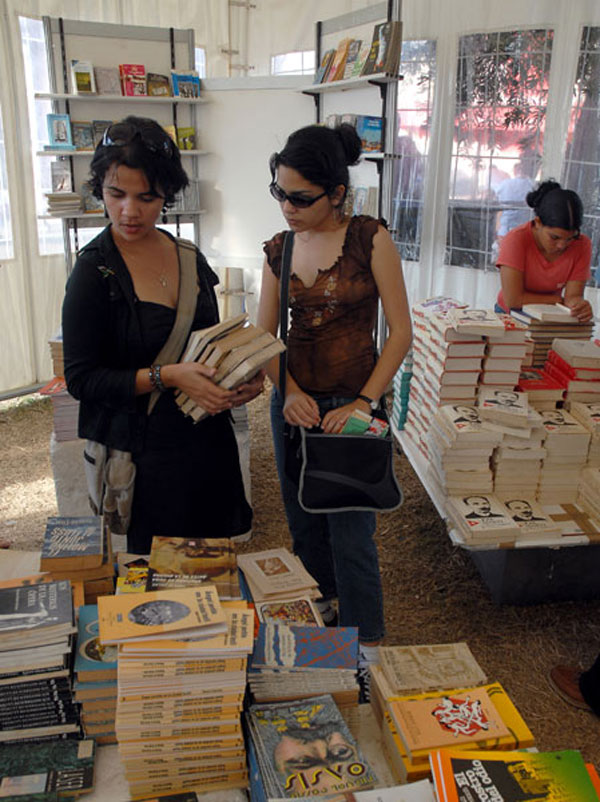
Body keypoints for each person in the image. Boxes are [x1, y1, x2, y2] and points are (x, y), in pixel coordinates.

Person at [257, 123, 412, 700]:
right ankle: (324, 633)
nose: (288, 207)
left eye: (301, 197)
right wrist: (288, 391)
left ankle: (366, 647)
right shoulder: (280, 247)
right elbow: (263, 336)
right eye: (279, 193)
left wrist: (364, 403)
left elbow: (400, 333)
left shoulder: (370, 238)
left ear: (337, 193)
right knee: (303, 520)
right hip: (295, 406)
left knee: (352, 530)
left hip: (354, 402)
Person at [62, 116, 262, 554]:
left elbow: (213, 346)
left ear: (167, 196)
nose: (129, 211)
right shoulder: (94, 271)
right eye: (116, 194)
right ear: (100, 189)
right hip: (145, 457)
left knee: (213, 575)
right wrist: (166, 376)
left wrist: (241, 378)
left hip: (208, 446)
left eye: (146, 197)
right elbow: (81, 379)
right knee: (160, 592)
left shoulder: (189, 257)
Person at [495, 180, 593, 322]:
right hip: (511, 313)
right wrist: (557, 300)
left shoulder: (582, 244)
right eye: (554, 237)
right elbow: (513, 300)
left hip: (549, 316)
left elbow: (573, 297)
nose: (562, 245)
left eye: (570, 238)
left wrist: (579, 306)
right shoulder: (516, 239)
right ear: (538, 222)